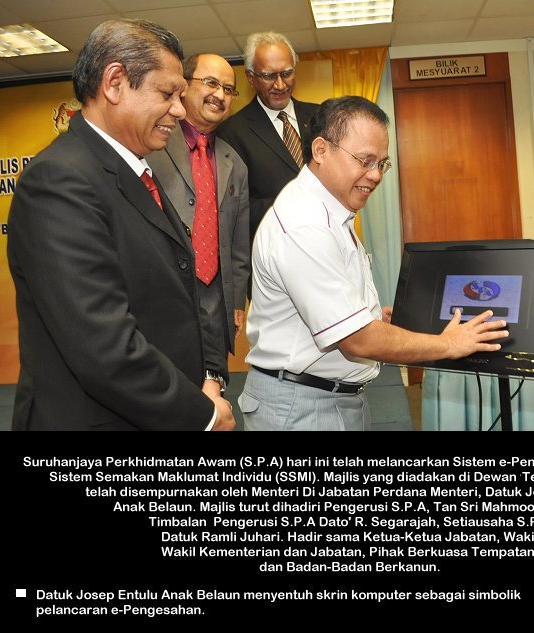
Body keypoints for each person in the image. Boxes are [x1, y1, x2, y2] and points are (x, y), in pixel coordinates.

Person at [7, 19, 234, 431]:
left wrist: (208, 377)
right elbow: (103, 347)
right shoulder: (58, 181)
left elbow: (181, 288)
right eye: (167, 94)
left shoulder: (138, 172)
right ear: (114, 83)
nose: (179, 110)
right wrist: (201, 416)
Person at [238, 96, 508, 432]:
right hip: (302, 408)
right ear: (321, 150)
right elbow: (359, 341)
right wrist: (449, 344)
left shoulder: (330, 209)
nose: (376, 175)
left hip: (328, 398)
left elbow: (331, 311)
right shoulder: (305, 223)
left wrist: (367, 316)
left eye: (382, 163)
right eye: (365, 161)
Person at [147, 53, 250, 368]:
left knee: (214, 385)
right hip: (161, 297)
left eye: (228, 89)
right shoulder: (151, 147)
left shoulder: (235, 164)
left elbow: (238, 245)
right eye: (211, 83)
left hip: (216, 302)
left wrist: (235, 301)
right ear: (183, 87)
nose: (220, 95)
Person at [217, 32, 319, 246]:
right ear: (251, 78)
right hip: (275, 247)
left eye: (287, 73)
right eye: (269, 76)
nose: (280, 85)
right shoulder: (232, 132)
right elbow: (237, 207)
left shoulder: (321, 117)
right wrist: (297, 204)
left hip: (326, 241)